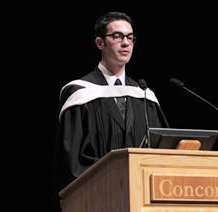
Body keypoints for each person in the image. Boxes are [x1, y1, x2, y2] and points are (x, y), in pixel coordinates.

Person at [51, 12, 169, 212]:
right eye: (117, 36)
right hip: (96, 201)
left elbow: (161, 153)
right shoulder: (81, 94)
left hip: (143, 200)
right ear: (100, 43)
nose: (126, 43)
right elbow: (70, 162)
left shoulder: (144, 96)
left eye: (130, 38)